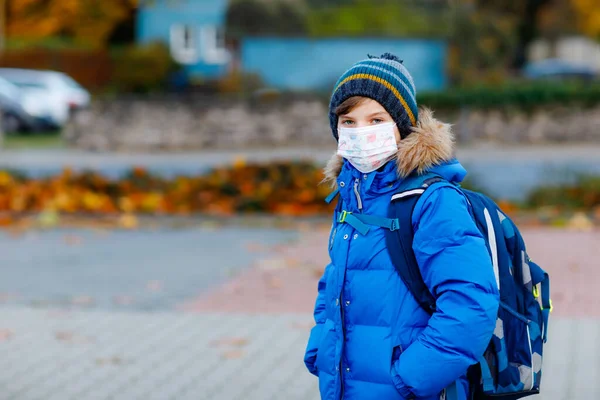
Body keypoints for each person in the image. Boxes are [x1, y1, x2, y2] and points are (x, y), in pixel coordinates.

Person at [303, 53, 500, 400]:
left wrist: (408, 379)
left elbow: (470, 304)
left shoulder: (433, 201)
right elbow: (336, 280)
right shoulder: (353, 195)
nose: (360, 132)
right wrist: (320, 347)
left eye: (376, 119)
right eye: (348, 121)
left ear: (402, 127)